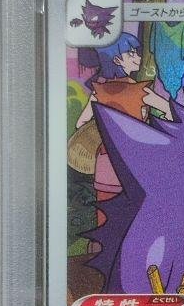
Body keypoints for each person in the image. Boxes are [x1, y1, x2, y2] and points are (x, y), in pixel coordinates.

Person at [73, 32, 170, 205]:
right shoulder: (141, 92)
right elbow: (170, 112)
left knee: (106, 211)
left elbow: (81, 123)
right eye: (131, 53)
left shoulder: (98, 92)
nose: (138, 57)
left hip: (107, 163)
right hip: (137, 162)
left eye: (136, 52)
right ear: (117, 60)